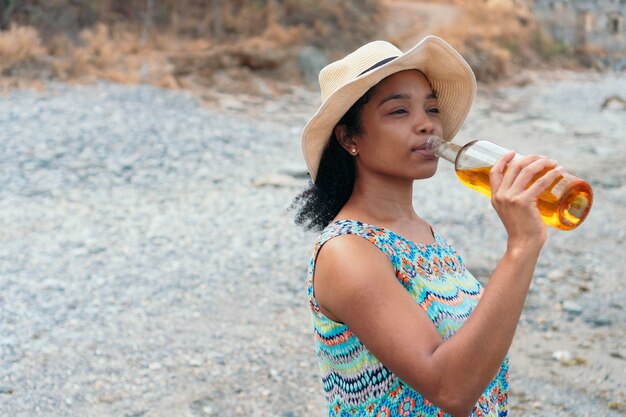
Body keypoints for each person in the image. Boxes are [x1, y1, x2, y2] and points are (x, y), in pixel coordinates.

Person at [292, 35, 563, 417]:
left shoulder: (421, 232)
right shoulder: (347, 252)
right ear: (349, 137)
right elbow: (450, 389)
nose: (427, 126)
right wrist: (521, 246)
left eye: (432, 109)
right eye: (399, 112)